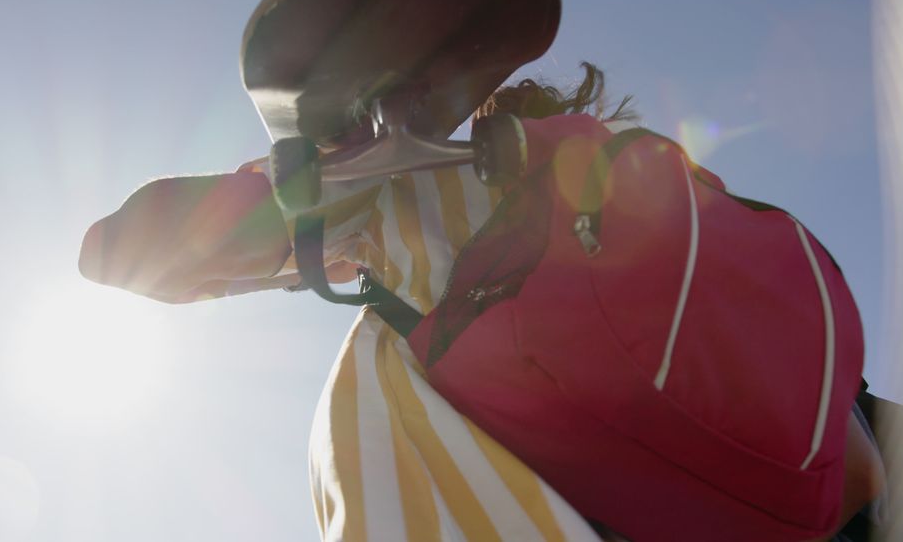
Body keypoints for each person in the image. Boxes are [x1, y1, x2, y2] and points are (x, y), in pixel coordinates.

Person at [80, 64, 887, 541]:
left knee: (373, 383)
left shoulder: (382, 201)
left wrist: (260, 203)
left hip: (754, 464)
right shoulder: (625, 172)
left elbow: (149, 248)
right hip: (831, 419)